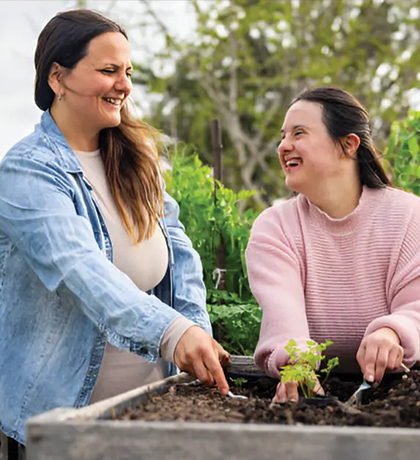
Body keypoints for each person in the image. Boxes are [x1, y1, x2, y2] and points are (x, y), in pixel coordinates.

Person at [0, 9, 230, 447]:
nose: (124, 84)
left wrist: (194, 328)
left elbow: (181, 257)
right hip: (64, 422)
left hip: (149, 405)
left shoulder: (135, 160)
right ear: (57, 78)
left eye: (128, 71)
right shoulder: (27, 172)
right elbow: (81, 270)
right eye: (108, 70)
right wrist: (172, 333)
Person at [245, 86, 420, 403]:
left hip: (404, 392)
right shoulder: (275, 228)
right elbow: (285, 320)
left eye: (299, 133)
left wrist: (392, 331)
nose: (284, 146)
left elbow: (416, 307)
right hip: (316, 390)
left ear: (348, 145)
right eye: (283, 137)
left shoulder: (409, 217)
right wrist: (296, 364)